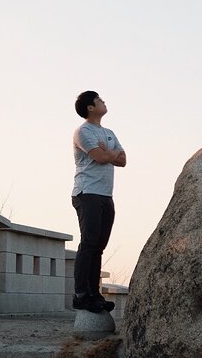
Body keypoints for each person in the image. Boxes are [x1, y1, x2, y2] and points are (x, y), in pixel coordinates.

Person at [71, 91, 126, 312]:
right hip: (87, 193)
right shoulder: (83, 131)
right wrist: (109, 154)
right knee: (89, 243)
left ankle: (95, 294)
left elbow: (123, 160)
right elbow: (102, 157)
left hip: (105, 195)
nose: (104, 101)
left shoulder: (109, 133)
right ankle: (81, 294)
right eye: (99, 100)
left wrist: (108, 152)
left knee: (99, 247)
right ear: (90, 107)